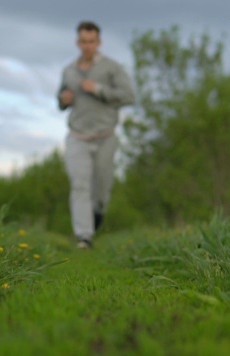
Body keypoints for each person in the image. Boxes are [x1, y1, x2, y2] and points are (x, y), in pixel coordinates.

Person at [57, 21, 135, 249]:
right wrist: (64, 99)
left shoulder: (112, 68)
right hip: (77, 136)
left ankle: (97, 213)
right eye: (83, 41)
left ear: (98, 42)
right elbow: (61, 99)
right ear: (77, 42)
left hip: (105, 137)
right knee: (79, 185)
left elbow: (129, 96)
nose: (87, 46)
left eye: (91, 41)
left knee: (101, 191)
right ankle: (84, 236)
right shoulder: (69, 71)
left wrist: (98, 89)